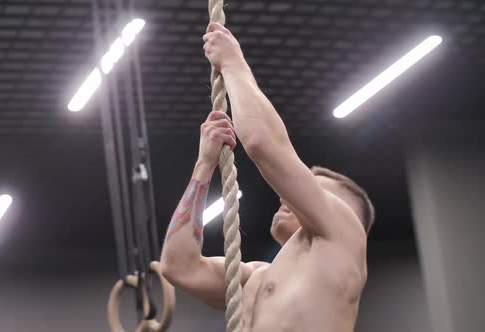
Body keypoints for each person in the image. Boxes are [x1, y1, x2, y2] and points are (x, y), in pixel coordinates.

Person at [160, 22, 375, 332]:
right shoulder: (255, 278)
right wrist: (204, 165)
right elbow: (178, 267)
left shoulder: (345, 233)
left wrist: (234, 63)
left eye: (316, 192)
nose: (288, 196)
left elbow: (261, 142)